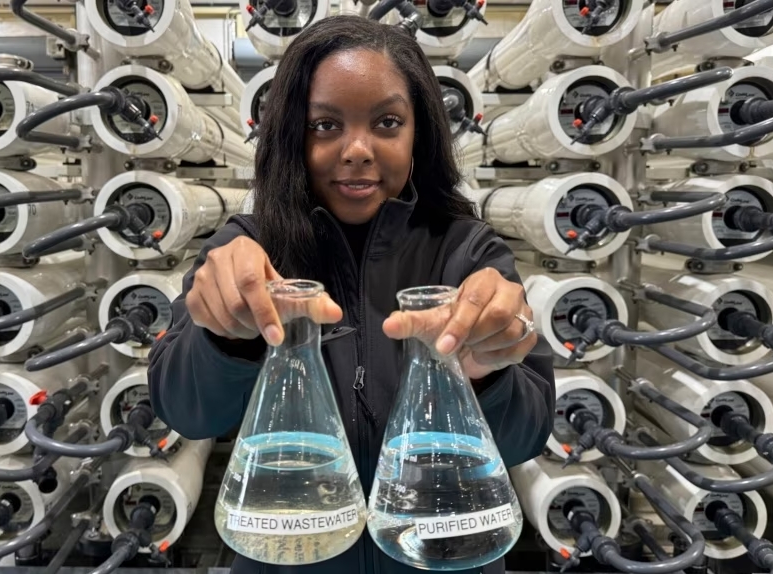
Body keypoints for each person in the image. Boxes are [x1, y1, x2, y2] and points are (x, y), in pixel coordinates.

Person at [148, 15, 555, 574]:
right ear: (291, 133)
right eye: (324, 126)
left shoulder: (467, 252)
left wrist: (488, 372)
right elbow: (185, 411)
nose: (357, 149)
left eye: (387, 122)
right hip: (291, 550)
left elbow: (526, 436)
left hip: (442, 554)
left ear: (420, 135)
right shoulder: (246, 251)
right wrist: (227, 337)